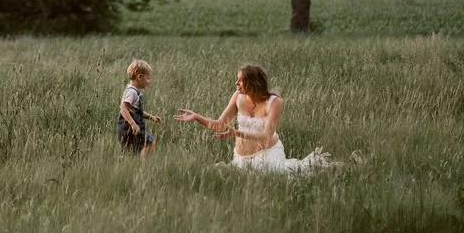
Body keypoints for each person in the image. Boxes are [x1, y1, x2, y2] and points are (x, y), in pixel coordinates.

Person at [173, 64, 331, 173]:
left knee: (272, 175)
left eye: (240, 80)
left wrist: (237, 134)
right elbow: (220, 125)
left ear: (253, 83)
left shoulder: (274, 102)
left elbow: (266, 138)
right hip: (241, 157)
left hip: (268, 153)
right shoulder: (238, 97)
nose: (236, 83)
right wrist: (195, 117)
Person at [117, 59, 162, 160]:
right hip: (129, 128)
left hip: (129, 128)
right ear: (140, 77)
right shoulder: (132, 92)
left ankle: (126, 163)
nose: (149, 81)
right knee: (149, 142)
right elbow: (123, 108)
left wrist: (151, 117)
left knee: (130, 151)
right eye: (148, 78)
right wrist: (133, 124)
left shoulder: (133, 92)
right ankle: (143, 164)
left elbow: (136, 111)